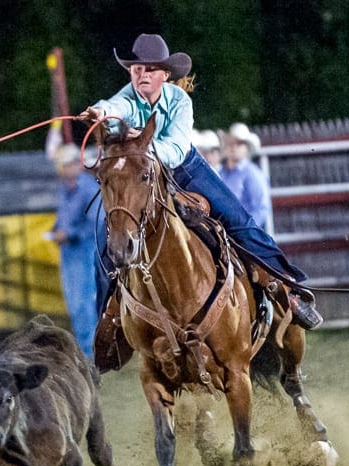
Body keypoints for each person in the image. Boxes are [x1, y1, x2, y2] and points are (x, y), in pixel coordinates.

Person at [79, 33, 322, 338]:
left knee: (239, 222)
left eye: (150, 69)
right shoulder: (128, 96)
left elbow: (177, 150)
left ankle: (289, 290)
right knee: (105, 240)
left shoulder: (179, 101)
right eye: (137, 69)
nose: (142, 75)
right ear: (131, 73)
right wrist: (100, 113)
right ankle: (107, 320)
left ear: (165, 75)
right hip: (141, 177)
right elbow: (114, 109)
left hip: (185, 171)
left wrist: (143, 149)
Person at [47, 143, 100, 359]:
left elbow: (96, 222)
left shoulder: (88, 188)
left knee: (84, 302)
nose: (64, 168)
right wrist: (56, 231)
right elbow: (63, 219)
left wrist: (70, 234)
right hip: (68, 251)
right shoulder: (65, 189)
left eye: (67, 163)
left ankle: (90, 351)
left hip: (84, 250)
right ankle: (84, 348)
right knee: (74, 302)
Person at [219, 122, 272, 230]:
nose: (233, 147)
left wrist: (244, 229)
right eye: (230, 143)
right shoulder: (221, 172)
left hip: (243, 233)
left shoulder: (252, 173)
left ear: (247, 148)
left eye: (239, 144)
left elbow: (261, 209)